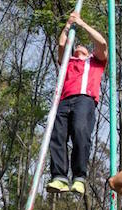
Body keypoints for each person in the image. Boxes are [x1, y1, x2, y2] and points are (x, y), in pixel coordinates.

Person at [46, 10, 107, 195]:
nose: (80, 47)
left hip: (84, 100)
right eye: (77, 46)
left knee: (80, 132)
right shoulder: (68, 62)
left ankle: (79, 177)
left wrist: (81, 23)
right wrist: (67, 26)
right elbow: (62, 44)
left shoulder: (95, 62)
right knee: (57, 135)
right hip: (64, 101)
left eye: (84, 47)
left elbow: (102, 43)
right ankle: (59, 177)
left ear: (89, 52)